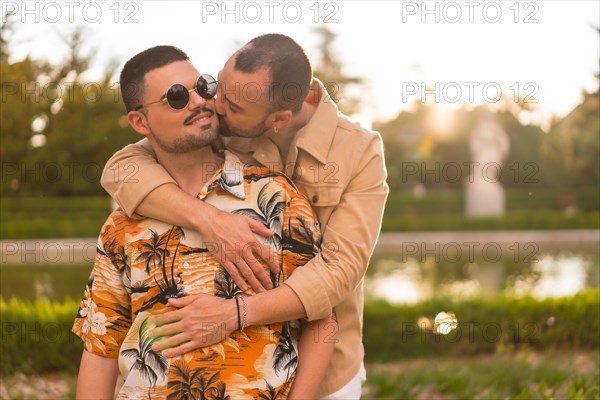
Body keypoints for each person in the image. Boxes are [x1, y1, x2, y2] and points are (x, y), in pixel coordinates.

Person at [101, 34, 388, 399]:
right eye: (215, 85)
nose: (214, 105)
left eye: (231, 106)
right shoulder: (225, 118)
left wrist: (232, 314)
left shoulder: (360, 151)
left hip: (327, 369)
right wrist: (211, 221)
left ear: (278, 119)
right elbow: (122, 169)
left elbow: (340, 269)